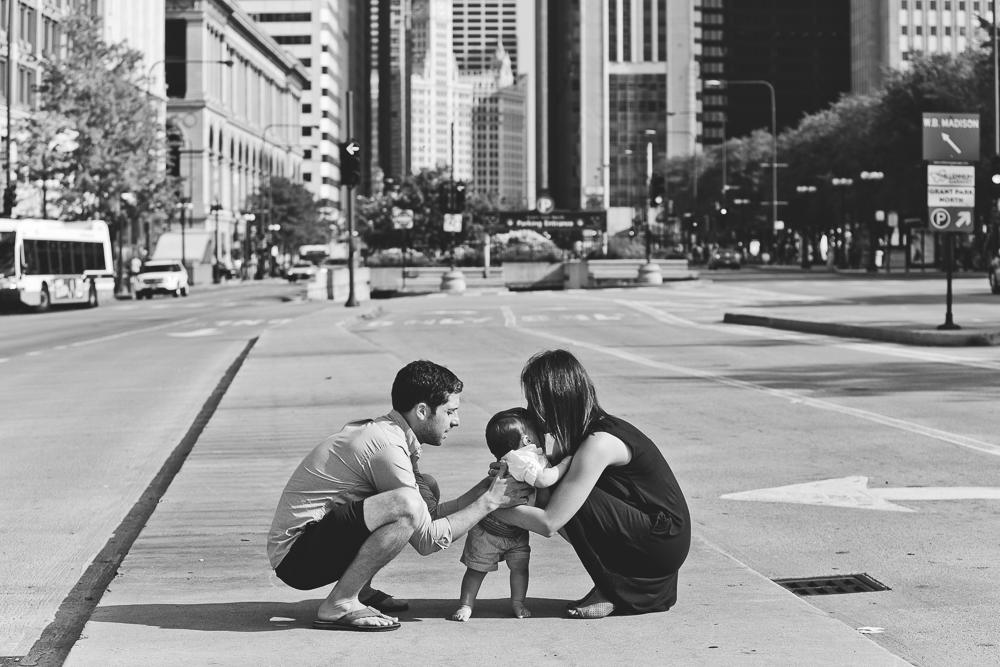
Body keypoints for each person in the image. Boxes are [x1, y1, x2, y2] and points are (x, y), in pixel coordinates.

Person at [267, 360, 530, 632]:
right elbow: (426, 539)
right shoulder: (387, 447)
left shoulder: (393, 433)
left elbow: (428, 519)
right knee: (406, 503)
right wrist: (490, 502)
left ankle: (360, 589)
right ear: (422, 411)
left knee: (424, 488)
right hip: (297, 558)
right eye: (450, 411)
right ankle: (340, 603)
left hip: (314, 544)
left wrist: (487, 486)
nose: (456, 421)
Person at [493, 349, 690, 618]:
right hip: (654, 533)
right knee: (556, 486)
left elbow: (550, 522)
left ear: (555, 402)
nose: (530, 414)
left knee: (568, 499)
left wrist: (491, 506)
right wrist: (516, 471)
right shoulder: (574, 436)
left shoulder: (598, 443)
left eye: (533, 405)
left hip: (662, 540)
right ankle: (612, 583)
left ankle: (614, 588)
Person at [451, 408, 573, 622]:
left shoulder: (525, 457)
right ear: (527, 439)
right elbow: (544, 480)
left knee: (520, 568)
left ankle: (518, 602)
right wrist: (565, 464)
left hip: (516, 530)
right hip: (489, 531)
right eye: (537, 433)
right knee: (476, 570)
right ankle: (466, 604)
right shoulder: (521, 458)